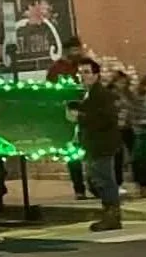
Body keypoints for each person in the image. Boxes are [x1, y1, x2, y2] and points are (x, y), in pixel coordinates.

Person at [72, 59, 122, 231]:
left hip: (103, 144)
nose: (82, 76)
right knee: (95, 179)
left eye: (86, 72)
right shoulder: (87, 94)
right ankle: (109, 212)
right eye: (80, 73)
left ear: (96, 75)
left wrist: (80, 117)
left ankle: (112, 216)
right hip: (93, 144)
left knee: (104, 180)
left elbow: (107, 119)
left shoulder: (102, 94)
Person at [46, 37, 91, 199]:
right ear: (67, 51)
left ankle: (94, 185)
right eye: (75, 50)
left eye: (79, 49)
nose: (78, 52)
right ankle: (79, 189)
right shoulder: (56, 69)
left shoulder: (84, 66)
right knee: (73, 155)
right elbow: (50, 94)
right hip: (67, 117)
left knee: (92, 151)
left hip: (87, 113)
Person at [110, 71, 135, 194]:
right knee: (117, 156)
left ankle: (136, 178)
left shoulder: (128, 94)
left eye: (125, 82)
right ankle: (117, 182)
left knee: (133, 152)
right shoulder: (111, 94)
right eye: (120, 82)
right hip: (116, 128)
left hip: (129, 126)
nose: (122, 84)